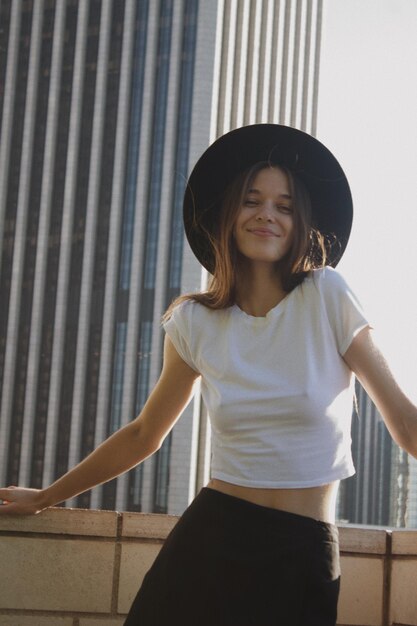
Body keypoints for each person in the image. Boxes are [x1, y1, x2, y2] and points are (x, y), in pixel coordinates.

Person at [1, 124, 416, 626]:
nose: (267, 214)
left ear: (300, 220)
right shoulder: (193, 322)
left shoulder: (327, 295)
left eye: (284, 205)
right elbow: (143, 434)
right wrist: (47, 497)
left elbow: (404, 421)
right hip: (211, 542)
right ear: (227, 213)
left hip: (304, 552)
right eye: (251, 200)